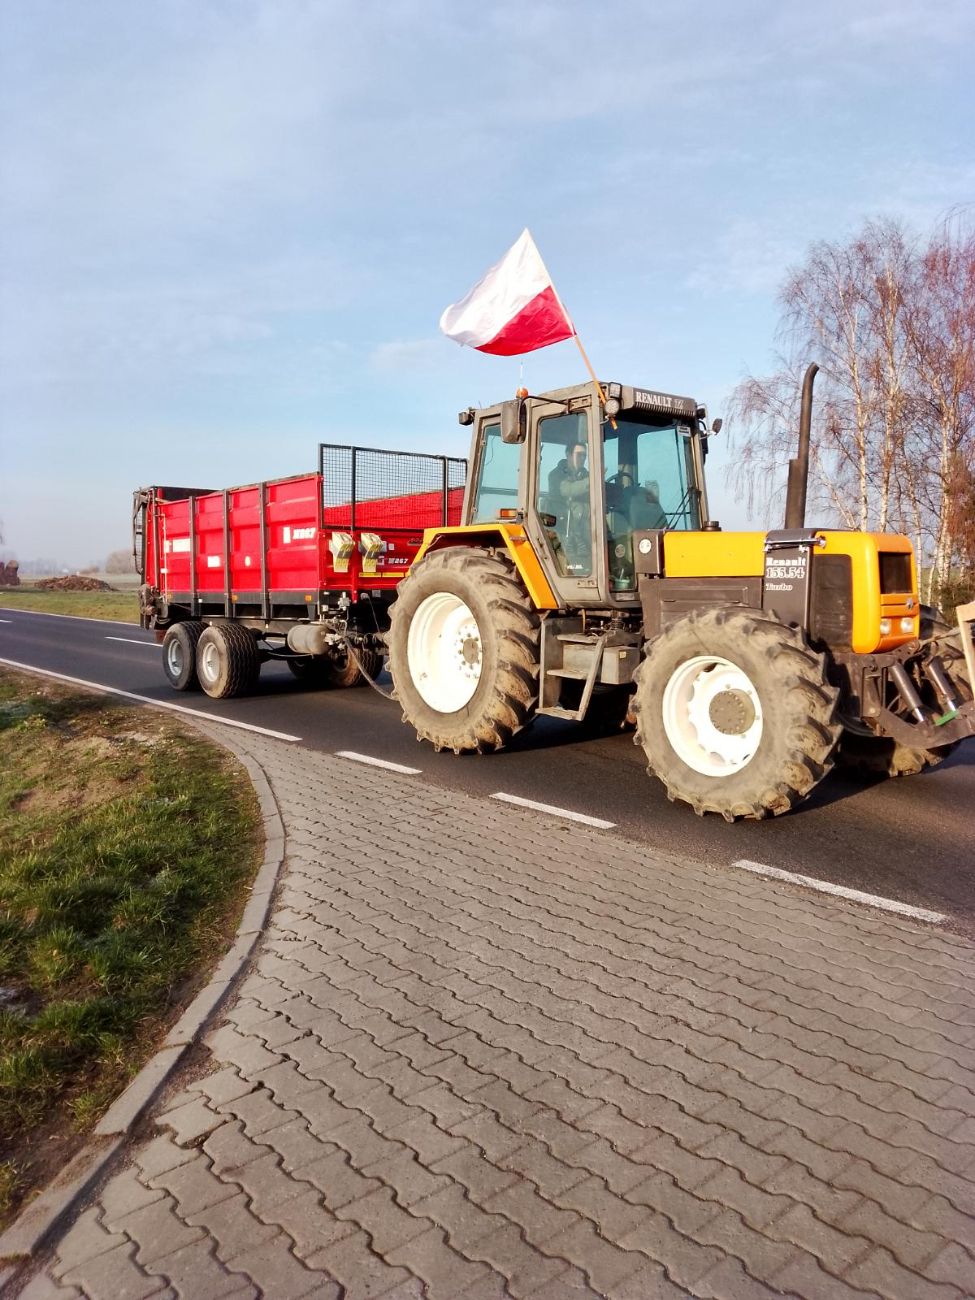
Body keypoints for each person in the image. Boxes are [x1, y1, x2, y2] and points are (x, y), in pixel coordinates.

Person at [547, 441, 591, 569]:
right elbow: (567, 490)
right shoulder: (556, 475)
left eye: (584, 455)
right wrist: (593, 481)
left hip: (584, 523)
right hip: (563, 524)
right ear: (568, 455)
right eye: (579, 454)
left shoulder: (584, 474)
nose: (582, 458)